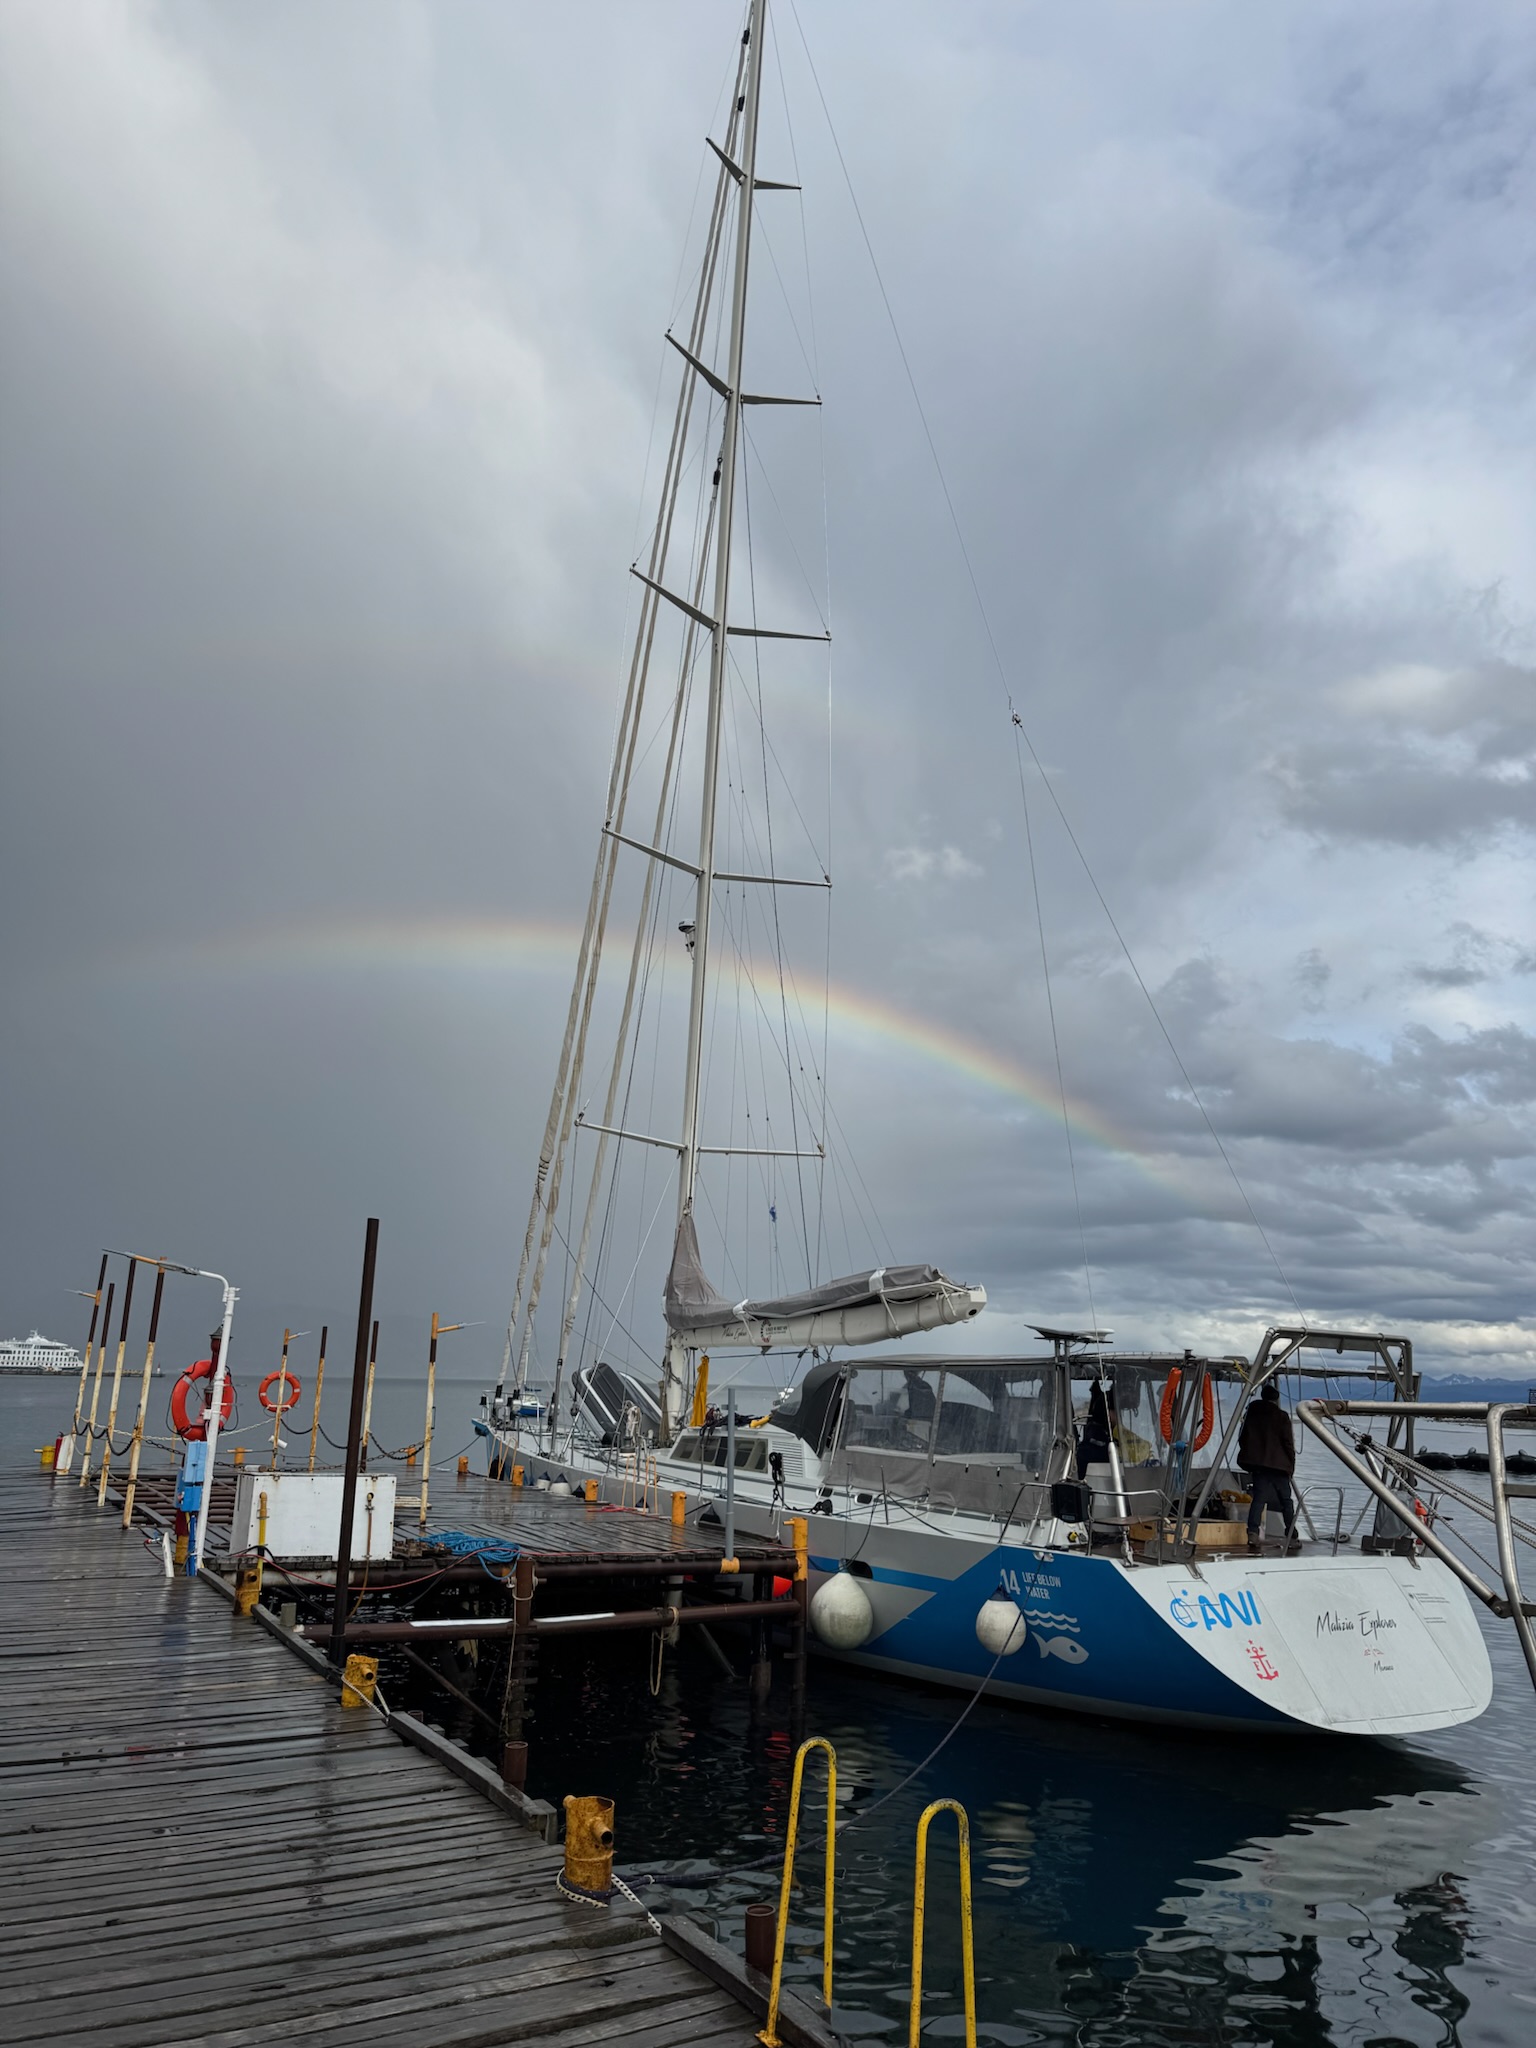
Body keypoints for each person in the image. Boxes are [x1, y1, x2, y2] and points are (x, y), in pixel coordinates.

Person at [1237, 1380, 1296, 1547]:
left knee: (1259, 1500)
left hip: (1259, 1465)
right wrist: (1291, 1466)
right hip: (1279, 1466)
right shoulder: (1281, 1417)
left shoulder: (1251, 1414)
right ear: (1276, 1399)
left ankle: (1253, 1533)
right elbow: (1288, 1443)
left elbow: (1243, 1438)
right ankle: (1291, 1534)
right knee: (1286, 1501)